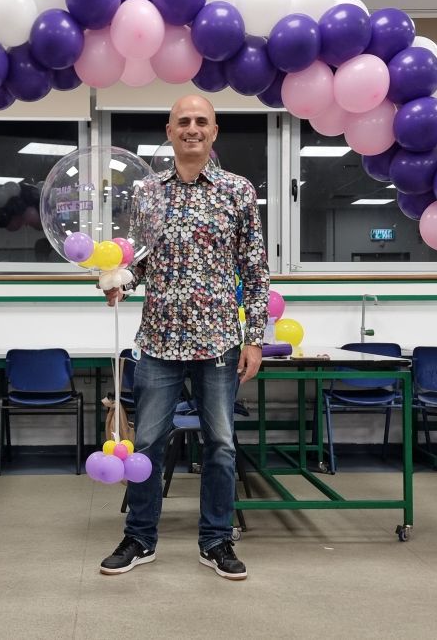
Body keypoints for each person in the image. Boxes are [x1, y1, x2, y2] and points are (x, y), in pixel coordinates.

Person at [100, 94, 270, 580]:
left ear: (214, 132)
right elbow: (142, 262)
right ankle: (140, 537)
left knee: (221, 445)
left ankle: (216, 541)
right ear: (169, 131)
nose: (192, 128)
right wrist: (120, 284)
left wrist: (253, 337)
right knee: (149, 443)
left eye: (201, 121)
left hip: (219, 343)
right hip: (158, 341)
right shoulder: (148, 192)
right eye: (183, 122)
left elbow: (254, 271)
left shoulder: (237, 192)